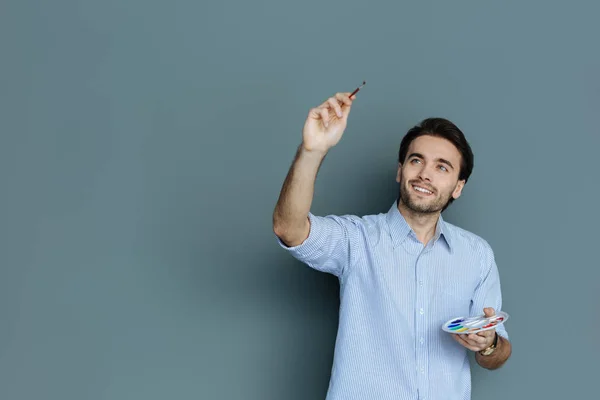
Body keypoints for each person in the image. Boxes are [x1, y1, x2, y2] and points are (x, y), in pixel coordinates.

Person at [272, 91, 512, 400]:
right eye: (416, 160)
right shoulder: (357, 240)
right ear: (400, 171)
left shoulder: (477, 255)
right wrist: (312, 150)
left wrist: (489, 342)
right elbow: (288, 228)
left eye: (442, 167)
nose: (425, 174)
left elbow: (497, 355)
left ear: (458, 187)